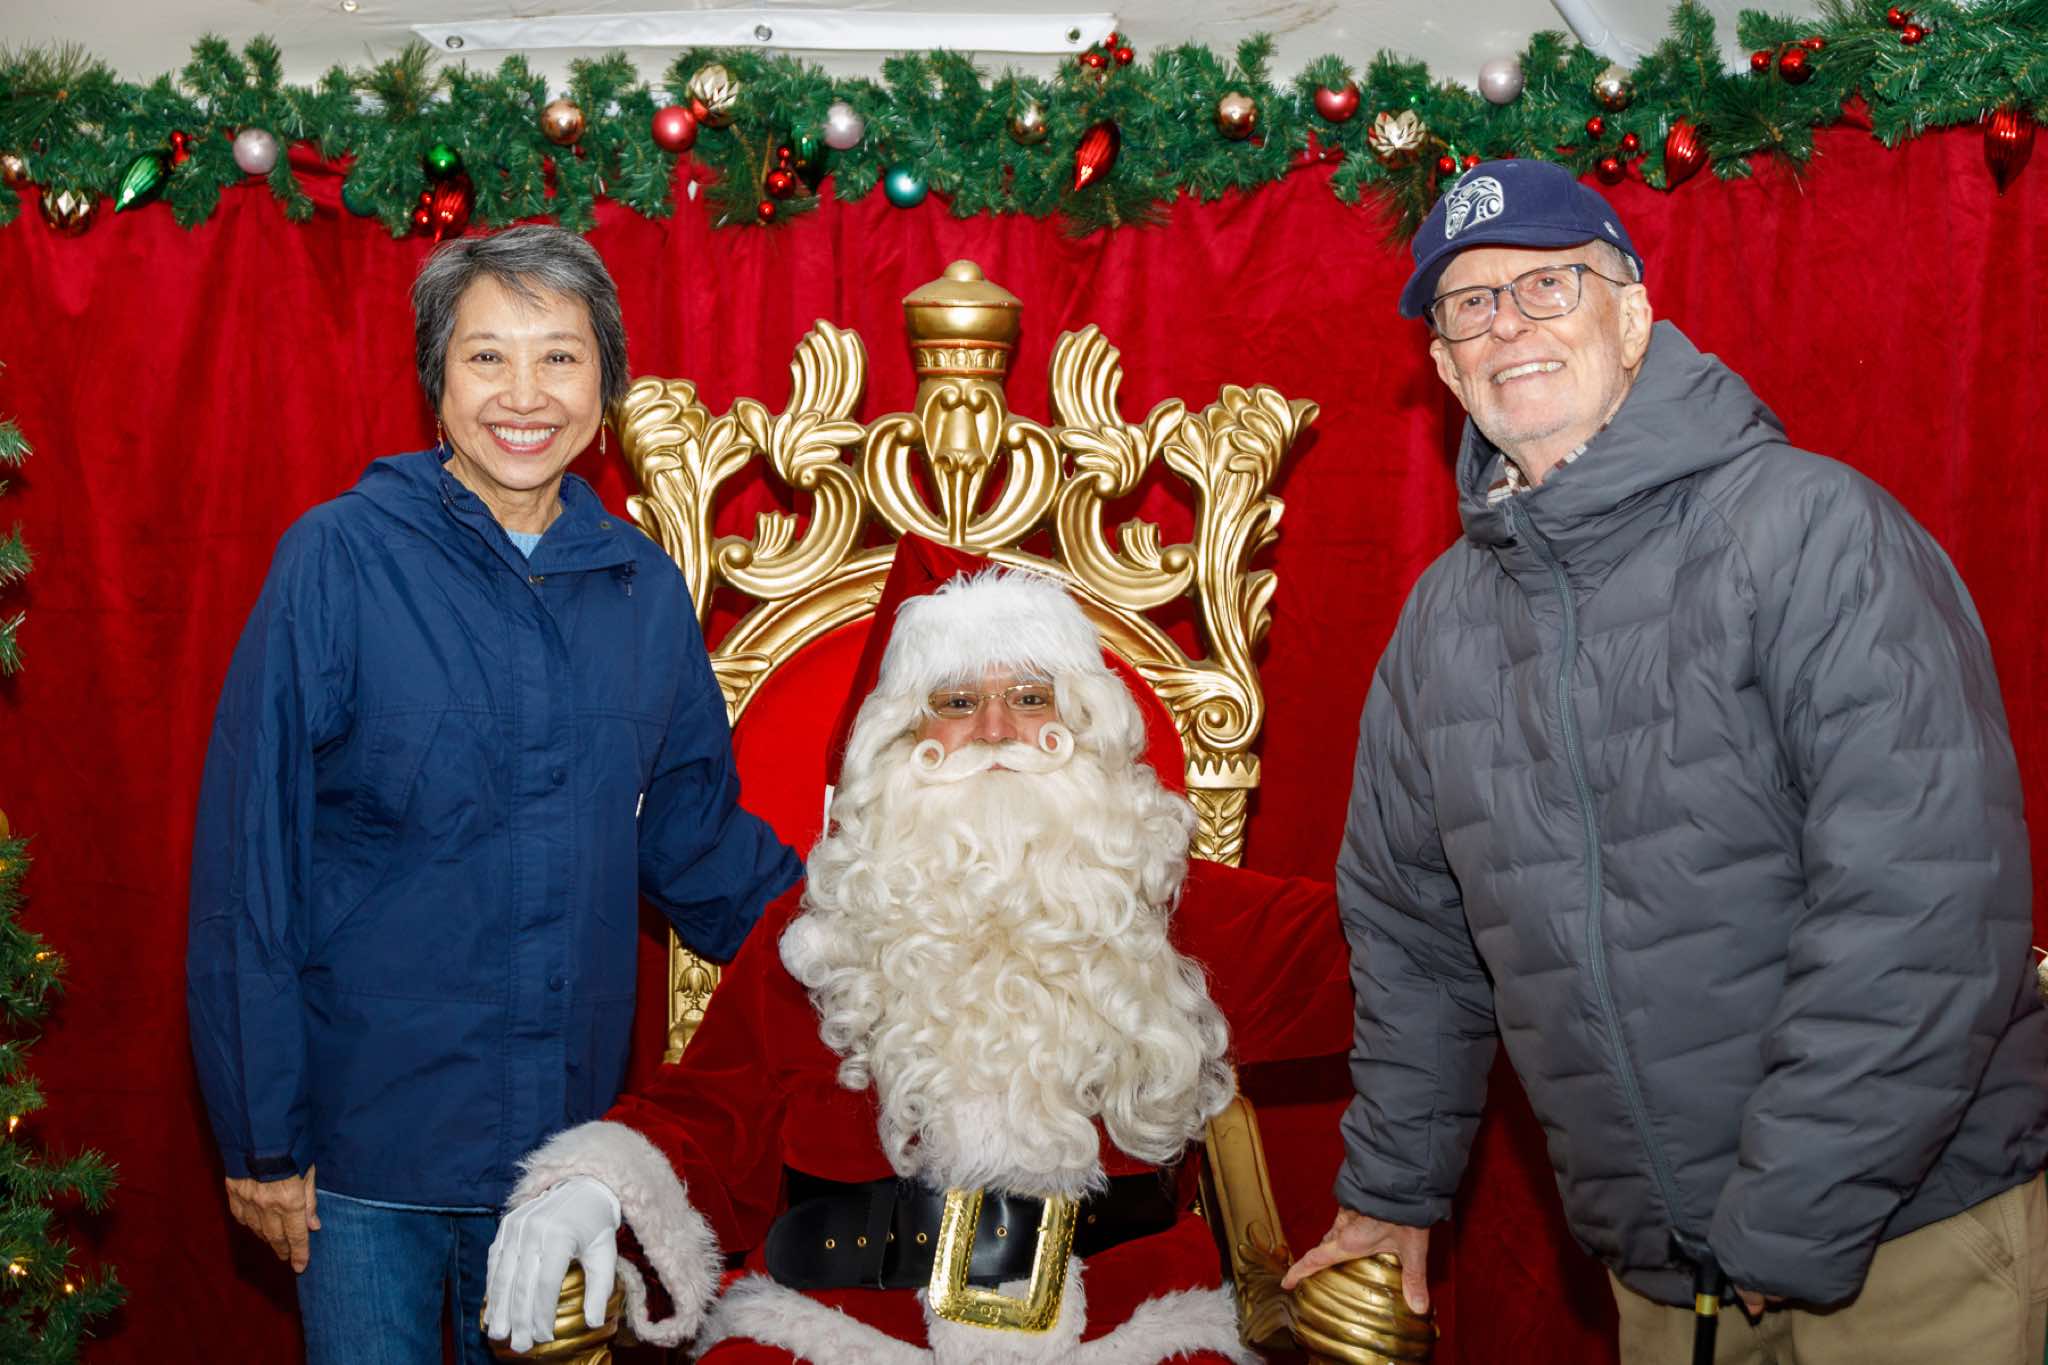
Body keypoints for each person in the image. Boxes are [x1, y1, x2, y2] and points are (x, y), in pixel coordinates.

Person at [1281, 158, 2048, 1364]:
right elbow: (1415, 948)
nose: (1507, 325)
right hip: (1660, 1276)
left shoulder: (1811, 530)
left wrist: (1789, 1213)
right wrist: (1389, 1195)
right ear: (1443, 366)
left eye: (1548, 285)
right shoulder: (1437, 627)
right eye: (1469, 306)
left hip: (1908, 1246)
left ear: (1632, 316)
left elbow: (1924, 905)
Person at [479, 543, 1351, 1364]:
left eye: (1032, 697)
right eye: (958, 702)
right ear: (902, 739)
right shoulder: (821, 926)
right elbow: (712, 1111)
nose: (998, 730)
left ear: (1083, 723)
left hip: (1127, 1327)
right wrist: (597, 1182)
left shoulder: (1169, 903)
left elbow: (1386, 951)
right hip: (841, 1327)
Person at [186, 224, 800, 1364]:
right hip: (363, 1155)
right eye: (487, 357)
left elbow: (697, 842)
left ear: (606, 387)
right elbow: (249, 863)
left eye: (560, 357)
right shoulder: (338, 559)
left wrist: (871, 943)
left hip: (562, 1158)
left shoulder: (642, 588)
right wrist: (262, 1138)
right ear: (437, 381)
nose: (525, 395)